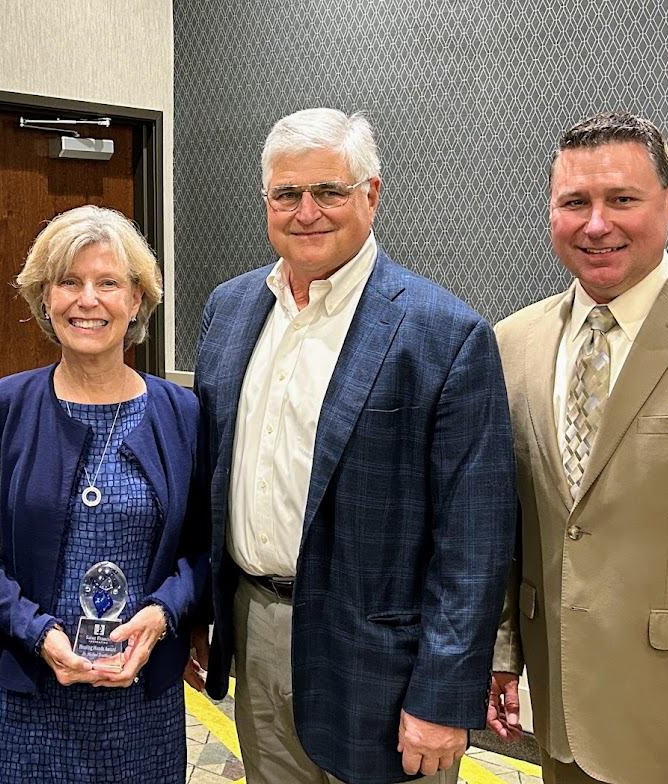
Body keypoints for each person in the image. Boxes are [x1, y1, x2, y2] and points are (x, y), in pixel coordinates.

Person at [192, 107, 516, 784]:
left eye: (329, 192)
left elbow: (475, 542)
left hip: (382, 667)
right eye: (286, 194)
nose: (306, 211)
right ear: (266, 201)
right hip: (253, 632)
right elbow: (209, 478)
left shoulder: (445, 334)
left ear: (371, 194)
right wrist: (202, 613)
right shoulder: (229, 309)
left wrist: (442, 695)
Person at [488, 112, 668, 784]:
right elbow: (507, 525)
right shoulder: (512, 343)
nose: (597, 224)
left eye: (622, 199)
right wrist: (502, 649)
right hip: (560, 716)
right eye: (575, 203)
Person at [0, 204, 207, 784]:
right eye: (68, 282)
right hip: (26, 700)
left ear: (136, 299)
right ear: (46, 298)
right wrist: (39, 633)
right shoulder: (6, 408)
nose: (87, 300)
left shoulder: (181, 414)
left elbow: (204, 551)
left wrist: (163, 616)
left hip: (141, 700)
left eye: (108, 282)